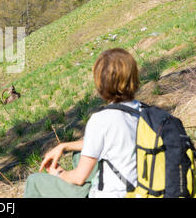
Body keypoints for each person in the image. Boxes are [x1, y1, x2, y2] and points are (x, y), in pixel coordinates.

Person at [24, 48, 142, 198]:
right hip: (141, 190)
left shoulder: (101, 120)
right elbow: (111, 140)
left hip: (113, 194)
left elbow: (79, 177)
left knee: (34, 181)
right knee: (79, 154)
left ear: (100, 83)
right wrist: (64, 146)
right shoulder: (145, 111)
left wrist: (60, 173)